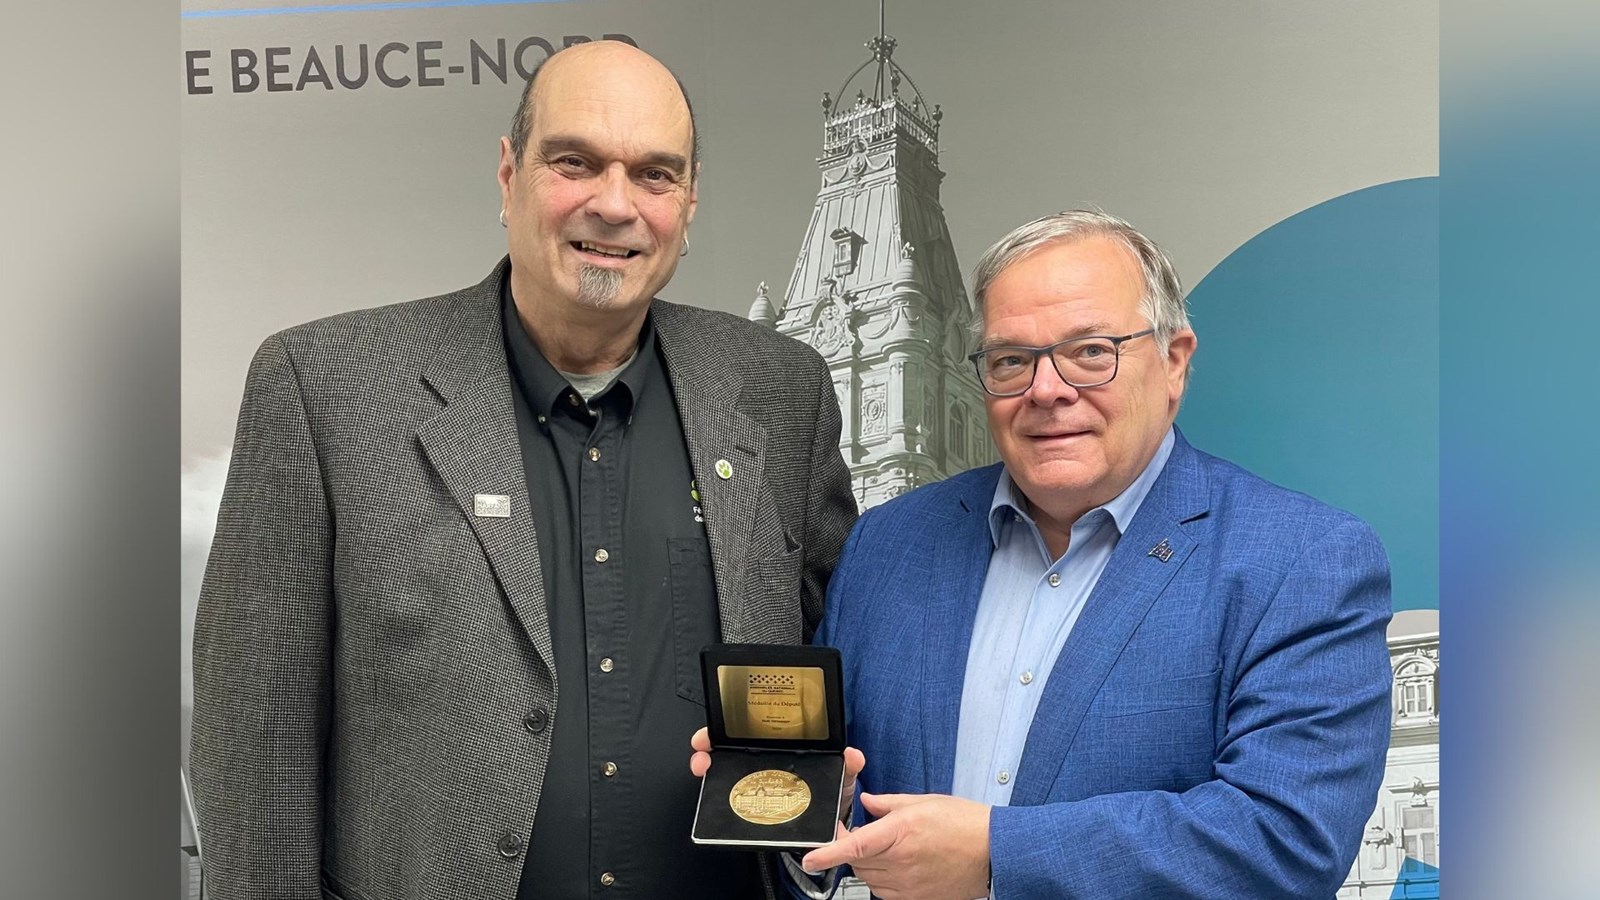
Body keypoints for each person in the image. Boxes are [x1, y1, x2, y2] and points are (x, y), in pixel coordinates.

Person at [191, 40, 858, 900]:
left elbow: (843, 666)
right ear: (509, 175)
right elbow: (255, 749)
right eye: (575, 162)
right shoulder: (324, 387)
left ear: (689, 204)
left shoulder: (782, 391)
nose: (614, 204)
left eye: (654, 175)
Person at [695, 209, 1394, 899]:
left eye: (1090, 352)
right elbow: (844, 821)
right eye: (1011, 360)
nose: (1047, 389)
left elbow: (1285, 838)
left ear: (1174, 362)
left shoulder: (1304, 559)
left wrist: (995, 855)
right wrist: (820, 805)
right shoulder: (887, 544)